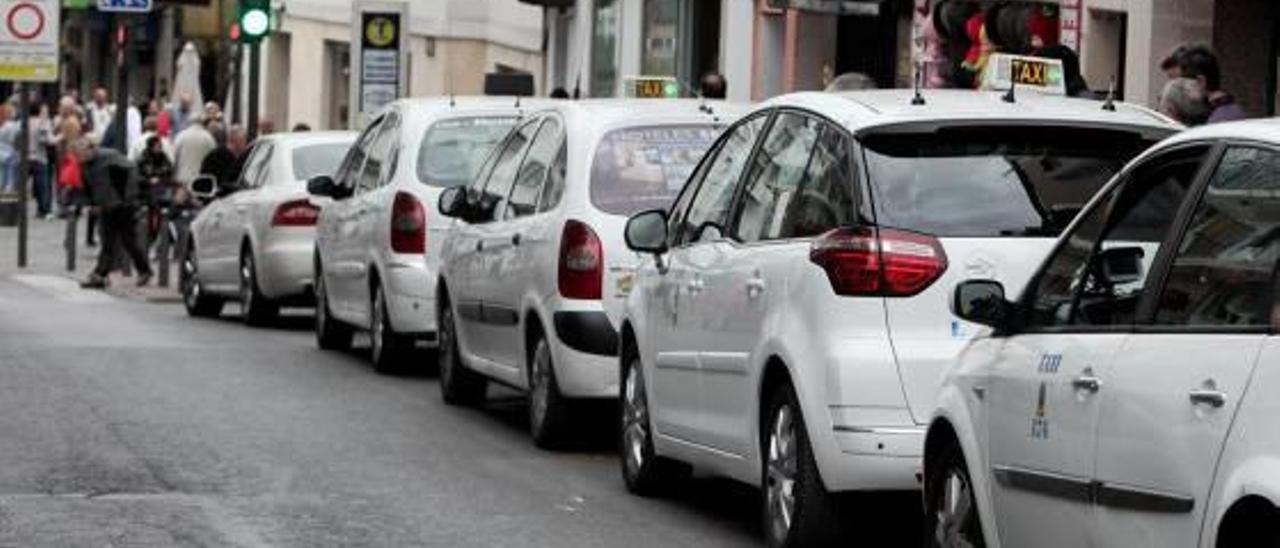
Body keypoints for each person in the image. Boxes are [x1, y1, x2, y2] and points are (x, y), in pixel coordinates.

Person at [69, 138, 152, 289]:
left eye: (80, 153)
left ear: (89, 148)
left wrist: (128, 198)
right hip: (106, 207)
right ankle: (100, 275)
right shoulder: (84, 165)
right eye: (76, 155)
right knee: (107, 241)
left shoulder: (109, 157)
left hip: (123, 205)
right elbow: (87, 186)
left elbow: (131, 171)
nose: (79, 158)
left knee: (129, 240)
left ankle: (144, 270)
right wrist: (91, 203)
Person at [1178, 45, 1247, 124]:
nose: (1184, 92)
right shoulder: (1233, 109)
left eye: (1184, 85)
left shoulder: (1218, 120)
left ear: (1201, 81)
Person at [25, 102, 54, 219]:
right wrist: (60, 136)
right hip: (39, 158)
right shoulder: (43, 123)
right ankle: (44, 210)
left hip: (25, 157)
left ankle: (15, 207)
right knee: (42, 186)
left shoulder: (23, 122)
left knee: (20, 185)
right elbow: (47, 140)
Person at [171, 115, 217, 186]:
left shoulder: (181, 136)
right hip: (201, 179)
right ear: (201, 123)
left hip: (183, 178)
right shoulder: (208, 137)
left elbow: (173, 157)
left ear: (189, 123)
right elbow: (214, 157)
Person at [200, 124, 248, 189]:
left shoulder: (212, 155)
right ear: (237, 141)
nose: (245, 143)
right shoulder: (223, 159)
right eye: (244, 140)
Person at [0, 105, 17, 196]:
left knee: (2, 175)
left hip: (1, 153)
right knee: (10, 177)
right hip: (10, 152)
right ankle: (7, 195)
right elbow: (13, 140)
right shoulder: (11, 125)